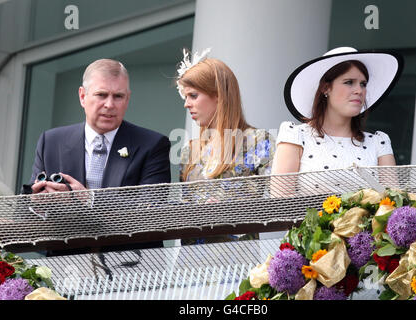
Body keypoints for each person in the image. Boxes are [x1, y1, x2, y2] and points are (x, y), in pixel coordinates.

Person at [26, 58, 171, 254]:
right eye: (101, 95)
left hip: (132, 269)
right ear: (82, 96)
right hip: (66, 268)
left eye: (118, 96)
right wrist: (38, 205)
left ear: (127, 99)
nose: (109, 105)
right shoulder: (51, 142)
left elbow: (153, 211)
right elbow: (26, 213)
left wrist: (90, 199)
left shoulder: (152, 145)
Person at [176, 49, 275, 244]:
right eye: (185, 97)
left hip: (238, 263)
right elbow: (183, 211)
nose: (187, 104)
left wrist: (230, 210)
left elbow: (279, 201)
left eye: (193, 96)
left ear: (219, 95)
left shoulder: (257, 140)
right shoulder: (189, 150)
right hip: (191, 264)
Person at [272, 47, 403, 192]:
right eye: (349, 82)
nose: (359, 90)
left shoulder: (378, 143)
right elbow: (280, 204)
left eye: (363, 84)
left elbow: (393, 205)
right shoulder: (296, 136)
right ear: (326, 88)